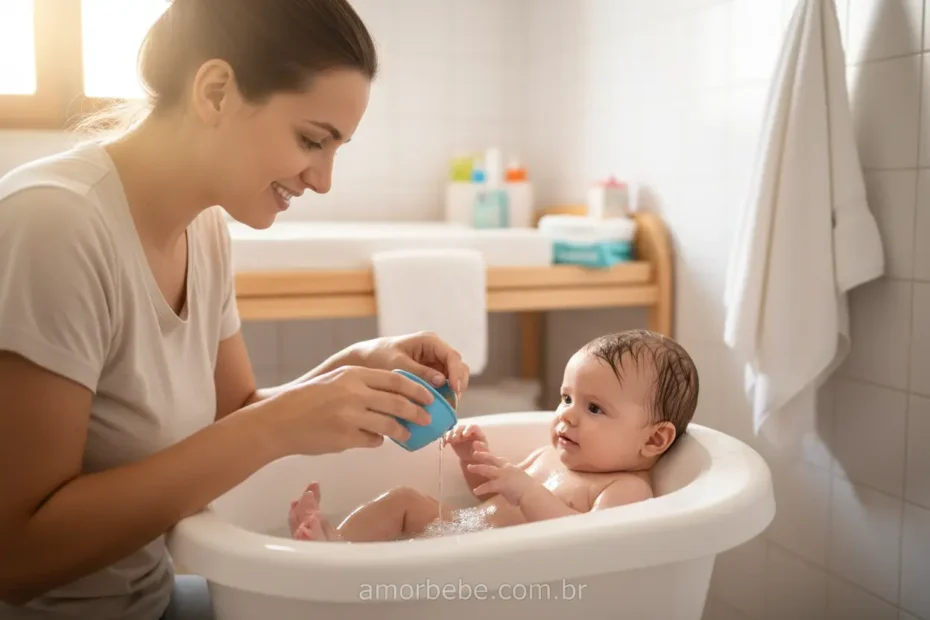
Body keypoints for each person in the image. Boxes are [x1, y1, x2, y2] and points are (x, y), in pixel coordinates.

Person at [0, 1, 471, 618]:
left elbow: (233, 417)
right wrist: (275, 425)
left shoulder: (205, 230)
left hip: (152, 598)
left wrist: (354, 366)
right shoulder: (53, 224)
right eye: (311, 140)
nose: (323, 180)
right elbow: (15, 557)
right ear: (216, 91)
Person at [287, 329, 699, 542]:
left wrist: (528, 493)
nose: (567, 416)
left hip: (488, 563)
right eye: (566, 397)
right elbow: (490, 495)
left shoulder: (624, 489)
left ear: (654, 440)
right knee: (403, 500)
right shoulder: (549, 456)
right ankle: (336, 545)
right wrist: (473, 460)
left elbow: (593, 544)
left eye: (594, 408)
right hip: (463, 529)